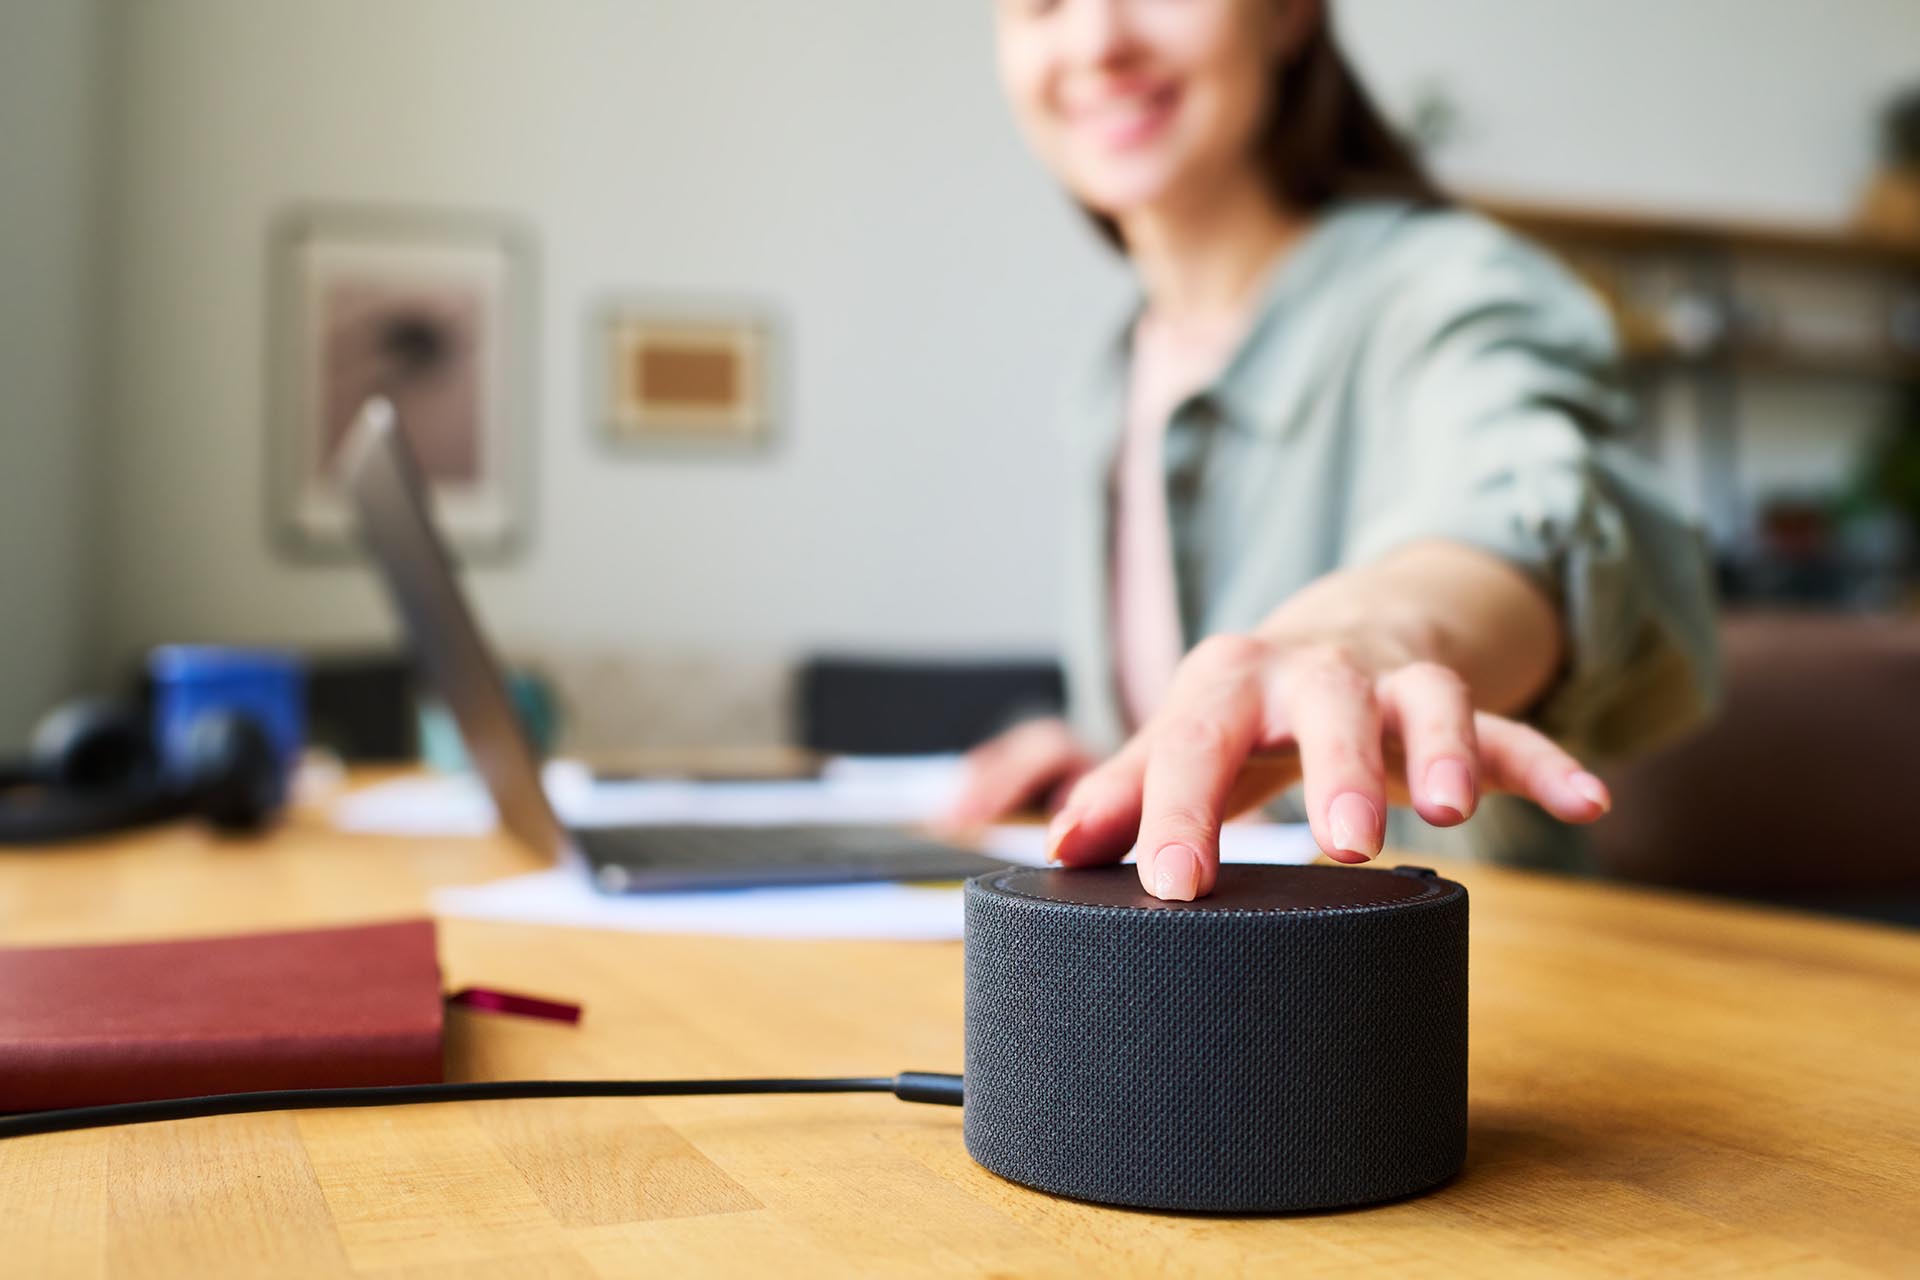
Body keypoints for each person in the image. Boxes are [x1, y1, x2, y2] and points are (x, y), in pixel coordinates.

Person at [942, 0, 1719, 899]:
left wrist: (1368, 636)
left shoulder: (1451, 291)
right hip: (1181, 1007)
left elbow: (1525, 508)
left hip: (1458, 998)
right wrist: (1112, 751)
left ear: (1286, 13)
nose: (1097, 41)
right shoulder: (1107, 378)